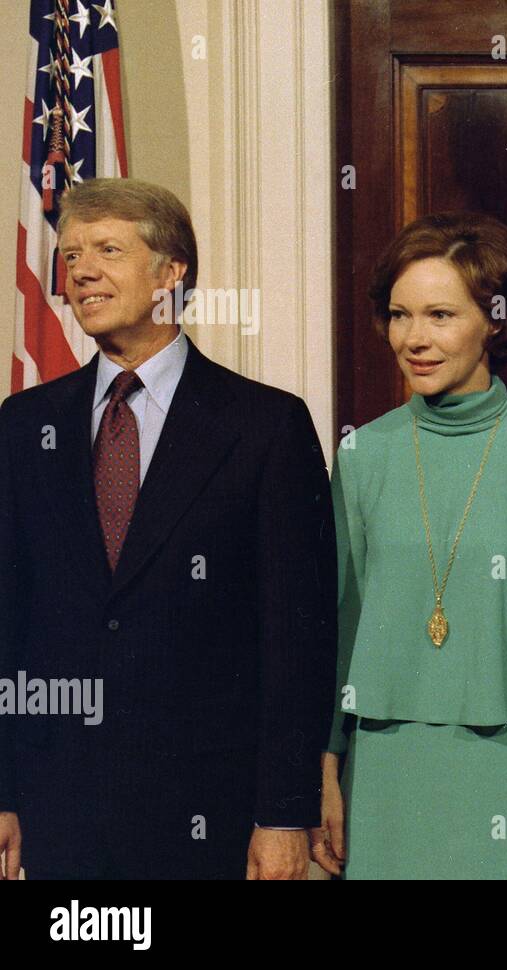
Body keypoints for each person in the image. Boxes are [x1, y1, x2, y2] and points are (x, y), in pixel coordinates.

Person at [0, 178, 337, 879]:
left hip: (210, 812)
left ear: (170, 272)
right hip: (60, 811)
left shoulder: (265, 426)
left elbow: (295, 638)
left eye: (108, 250)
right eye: (70, 256)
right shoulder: (23, 425)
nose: (81, 270)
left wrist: (283, 813)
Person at [314, 211, 507, 880]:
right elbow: (335, 626)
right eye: (400, 315)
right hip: (385, 773)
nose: (414, 339)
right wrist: (326, 771)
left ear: (495, 322)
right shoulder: (363, 455)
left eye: (441, 315)